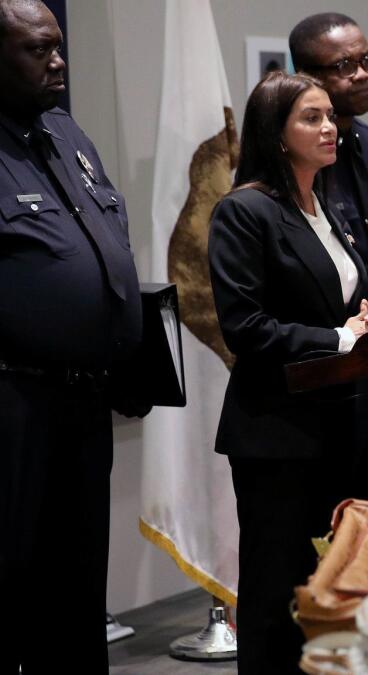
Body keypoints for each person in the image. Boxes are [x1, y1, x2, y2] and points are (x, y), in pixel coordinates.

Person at [208, 71, 368, 672]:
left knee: (331, 582)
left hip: (341, 425)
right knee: (275, 588)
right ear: (277, 134)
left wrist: (360, 326)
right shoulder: (245, 211)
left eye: (330, 116)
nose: (329, 127)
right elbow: (246, 328)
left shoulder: (326, 205)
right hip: (276, 433)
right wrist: (339, 337)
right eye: (311, 118)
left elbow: (332, 302)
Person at [0, 1, 144, 671]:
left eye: (58, 47)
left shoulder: (64, 133)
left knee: (80, 589)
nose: (58, 62)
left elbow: (106, 241)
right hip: (14, 405)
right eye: (37, 50)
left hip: (84, 403)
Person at [289, 12, 368, 319]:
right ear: (305, 74)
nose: (362, 74)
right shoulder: (298, 160)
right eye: (345, 66)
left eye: (365, 60)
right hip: (334, 340)